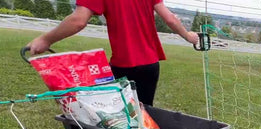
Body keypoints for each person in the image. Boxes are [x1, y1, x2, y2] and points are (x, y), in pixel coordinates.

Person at [28, 0, 199, 106]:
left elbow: (78, 21)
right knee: (145, 112)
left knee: (114, 110)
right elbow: (169, 18)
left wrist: (45, 40)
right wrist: (188, 35)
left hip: (123, 65)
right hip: (150, 64)